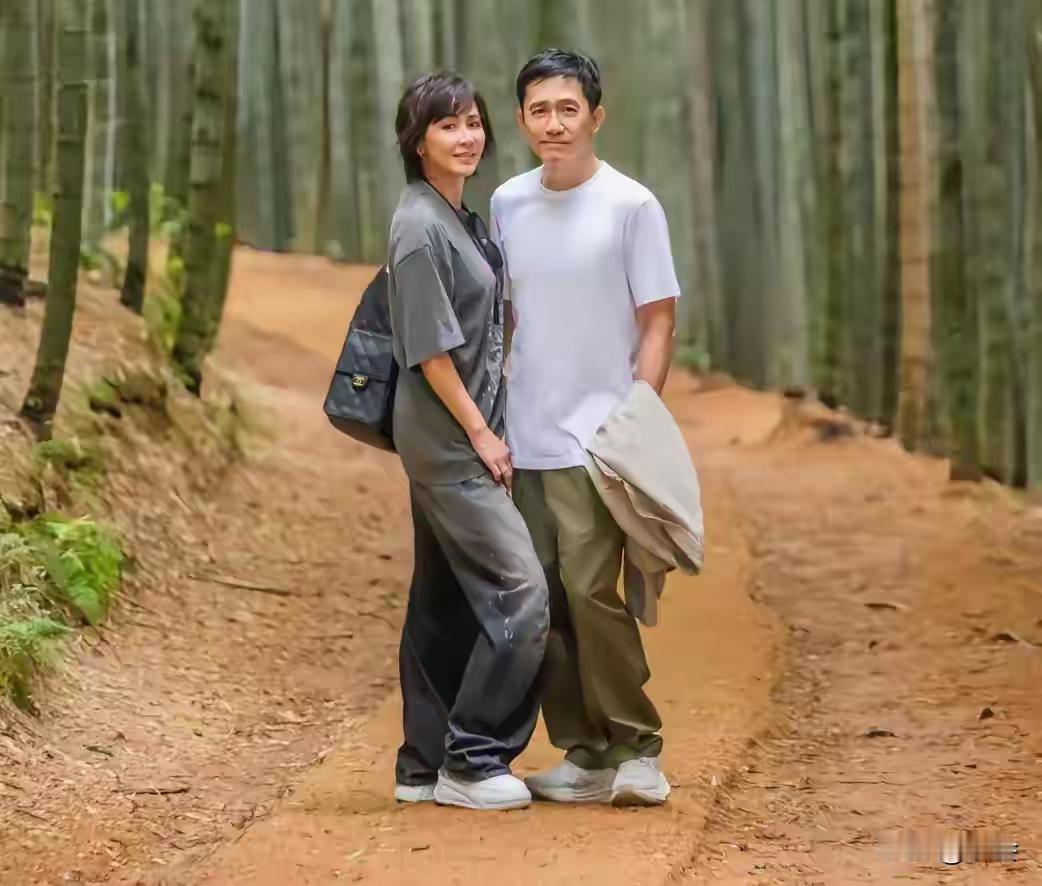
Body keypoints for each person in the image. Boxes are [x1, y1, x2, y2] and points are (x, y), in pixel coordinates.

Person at [491, 50, 681, 806]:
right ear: (520, 121)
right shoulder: (507, 202)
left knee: (592, 590)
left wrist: (636, 418)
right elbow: (505, 317)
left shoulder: (632, 205)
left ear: (596, 117)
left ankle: (638, 748)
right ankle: (584, 752)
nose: (554, 123)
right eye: (539, 110)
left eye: (567, 109)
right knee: (540, 601)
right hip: (521, 434)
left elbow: (658, 320)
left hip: (596, 438)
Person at [387, 71, 548, 811]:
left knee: (443, 597)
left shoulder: (458, 215)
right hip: (451, 442)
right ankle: (473, 757)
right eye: (448, 125)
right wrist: (484, 436)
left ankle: (421, 764)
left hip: (452, 437)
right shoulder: (419, 225)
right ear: (417, 141)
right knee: (522, 592)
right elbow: (429, 348)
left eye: (474, 122)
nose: (467, 137)